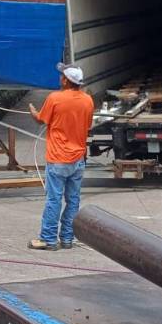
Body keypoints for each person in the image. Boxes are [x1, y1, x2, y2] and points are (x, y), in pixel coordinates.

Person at [28, 64, 95, 252]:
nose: (59, 78)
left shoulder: (55, 98)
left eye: (61, 76)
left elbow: (41, 119)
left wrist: (33, 111)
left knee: (54, 200)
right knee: (73, 201)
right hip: (78, 159)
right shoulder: (88, 100)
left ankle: (48, 239)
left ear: (66, 80)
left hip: (58, 158)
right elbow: (87, 125)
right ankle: (67, 238)